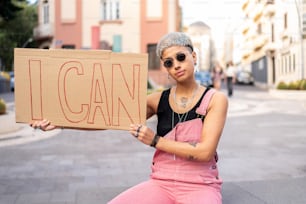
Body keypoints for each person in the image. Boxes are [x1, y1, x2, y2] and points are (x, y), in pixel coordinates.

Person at [30, 32, 228, 204]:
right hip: (161, 183)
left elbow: (204, 152)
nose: (176, 65)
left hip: (201, 185)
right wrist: (60, 123)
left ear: (193, 56)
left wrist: (155, 140)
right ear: (165, 68)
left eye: (181, 57)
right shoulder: (158, 100)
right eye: (169, 62)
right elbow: (107, 118)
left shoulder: (215, 100)